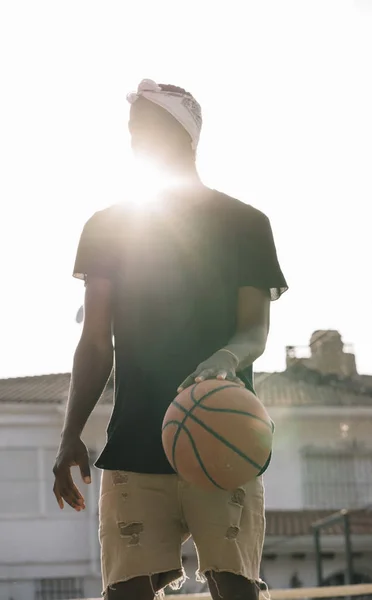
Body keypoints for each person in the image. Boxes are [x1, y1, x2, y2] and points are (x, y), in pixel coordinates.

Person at [53, 79, 288, 600]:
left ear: (186, 136)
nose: (136, 140)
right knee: (125, 595)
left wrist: (226, 358)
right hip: (136, 440)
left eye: (148, 129)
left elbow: (254, 329)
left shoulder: (246, 224)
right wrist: (71, 433)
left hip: (223, 436)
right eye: (132, 131)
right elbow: (95, 341)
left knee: (237, 590)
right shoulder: (108, 227)